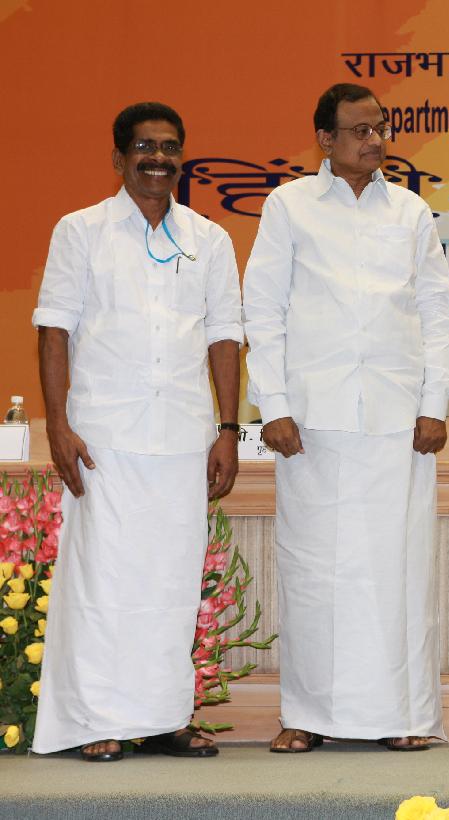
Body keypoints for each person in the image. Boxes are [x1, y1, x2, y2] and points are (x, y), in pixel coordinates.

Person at [243, 82, 449, 753]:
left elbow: (438, 311)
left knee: (398, 571)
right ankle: (307, 715)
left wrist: (434, 403)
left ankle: (404, 714)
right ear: (326, 139)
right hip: (313, 418)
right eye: (361, 130)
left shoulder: (410, 211)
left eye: (381, 128)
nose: (376, 141)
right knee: (314, 572)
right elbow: (264, 309)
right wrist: (274, 405)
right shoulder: (289, 206)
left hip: (400, 419)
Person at [31, 102, 242, 761]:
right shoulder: (81, 231)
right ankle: (96, 721)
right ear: (119, 158)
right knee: (103, 583)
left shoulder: (209, 238)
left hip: (183, 436)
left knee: (171, 584)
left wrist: (228, 429)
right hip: (104, 437)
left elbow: (224, 337)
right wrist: (58, 424)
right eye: (145, 147)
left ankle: (164, 718)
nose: (159, 158)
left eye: (170, 147)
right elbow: (54, 330)